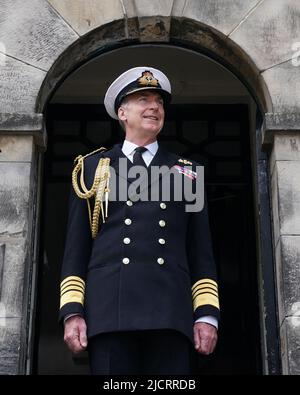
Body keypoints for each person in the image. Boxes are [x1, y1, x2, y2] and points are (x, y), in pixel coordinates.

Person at [59, 66, 220, 375]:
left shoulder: (186, 172)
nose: (154, 106)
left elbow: (201, 251)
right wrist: (72, 311)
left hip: (170, 313)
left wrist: (206, 315)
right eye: (143, 99)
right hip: (109, 311)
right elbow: (75, 250)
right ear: (122, 112)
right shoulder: (93, 168)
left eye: (159, 102)